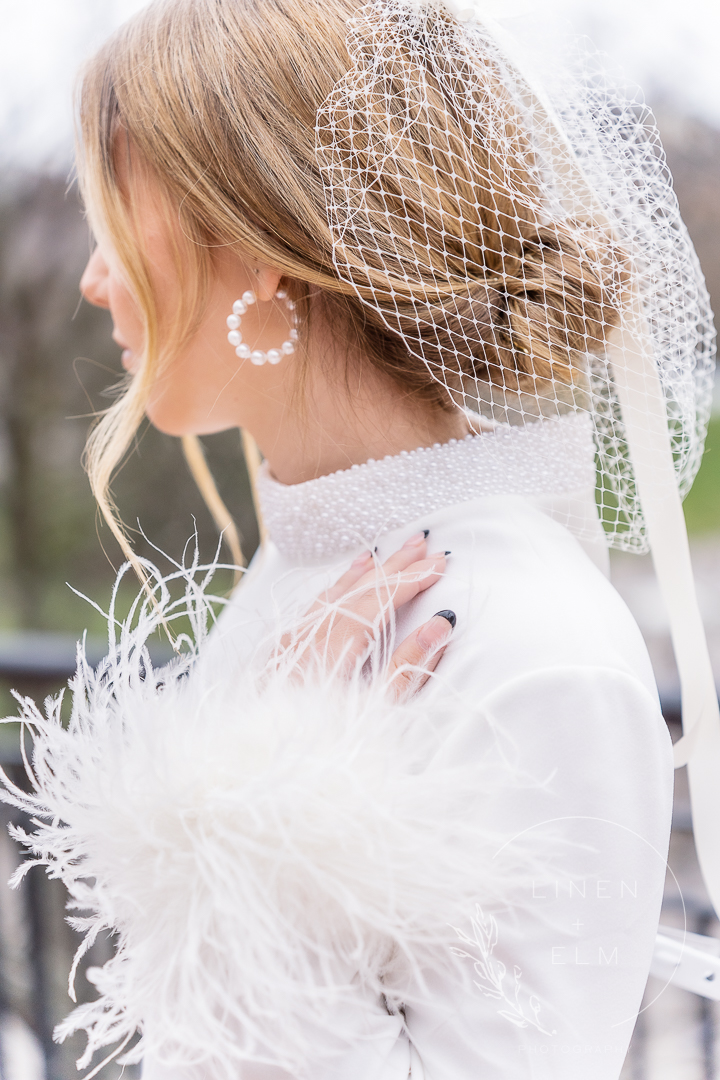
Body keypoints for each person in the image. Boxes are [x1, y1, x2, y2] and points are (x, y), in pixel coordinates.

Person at [7, 0, 717, 1076]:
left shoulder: (530, 650)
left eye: (116, 219)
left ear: (255, 244)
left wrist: (255, 867)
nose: (96, 277)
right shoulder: (310, 568)